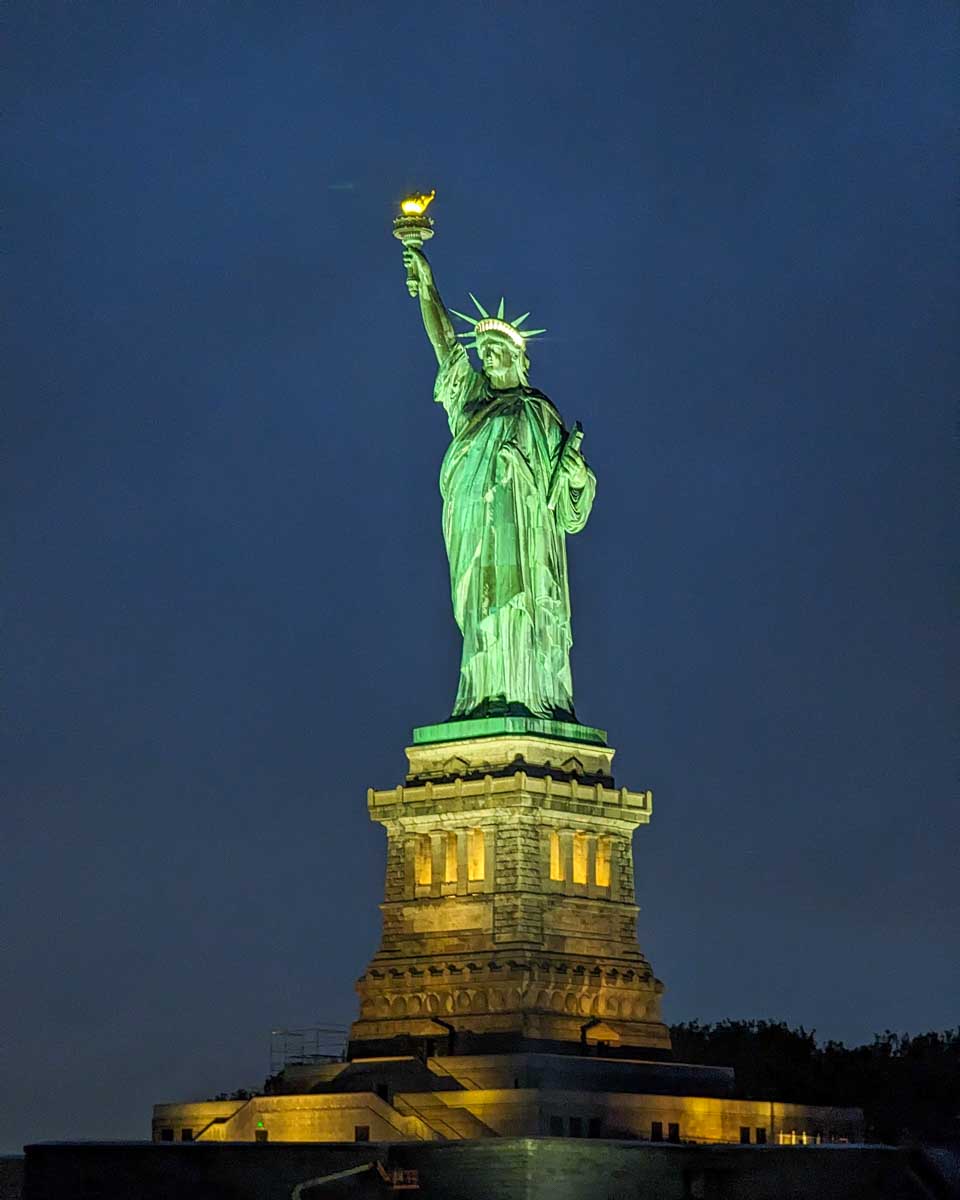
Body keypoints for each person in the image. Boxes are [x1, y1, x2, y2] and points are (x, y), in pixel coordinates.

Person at [403, 247, 595, 722]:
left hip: (527, 545)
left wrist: (574, 476)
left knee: (517, 608)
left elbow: (572, 506)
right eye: (483, 353)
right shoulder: (469, 399)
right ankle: (484, 697)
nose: (486, 360)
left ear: (518, 358)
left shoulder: (538, 413)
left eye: (496, 352)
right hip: (475, 526)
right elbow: (445, 347)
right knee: (482, 612)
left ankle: (528, 696)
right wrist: (428, 287)